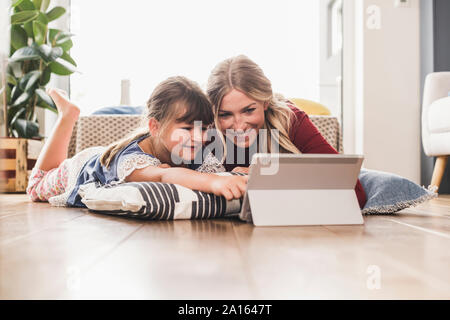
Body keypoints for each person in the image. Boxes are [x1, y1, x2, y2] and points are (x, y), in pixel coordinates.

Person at [27, 76, 248, 207]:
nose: (199, 137)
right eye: (187, 128)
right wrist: (213, 182)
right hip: (80, 168)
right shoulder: (132, 162)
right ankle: (68, 115)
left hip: (107, 152)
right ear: (155, 127)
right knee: (36, 186)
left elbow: (215, 175)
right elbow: (165, 175)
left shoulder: (191, 146)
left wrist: (236, 175)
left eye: (204, 128)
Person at [206, 55, 367, 208]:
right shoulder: (206, 129)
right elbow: (181, 178)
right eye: (225, 115)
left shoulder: (290, 119)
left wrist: (265, 176)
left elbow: (355, 194)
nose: (239, 127)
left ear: (265, 102)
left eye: (248, 111)